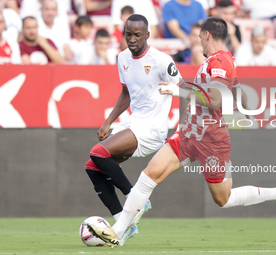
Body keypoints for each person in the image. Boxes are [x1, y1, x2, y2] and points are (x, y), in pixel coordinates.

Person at [87, 17, 276, 248]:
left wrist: (179, 92)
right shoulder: (222, 61)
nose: (199, 43)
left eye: (199, 38)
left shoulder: (220, 62)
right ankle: (117, 231)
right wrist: (247, 109)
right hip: (190, 133)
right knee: (150, 174)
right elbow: (235, 89)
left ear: (207, 36)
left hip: (212, 140)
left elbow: (216, 100)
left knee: (223, 199)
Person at [84, 14, 182, 244]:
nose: (132, 39)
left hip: (153, 128)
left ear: (147, 35)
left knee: (98, 152)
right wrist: (108, 122)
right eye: (128, 34)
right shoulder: (122, 58)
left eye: (137, 35)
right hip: (134, 122)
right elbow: (126, 94)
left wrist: (183, 125)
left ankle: (136, 200)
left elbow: (184, 89)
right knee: (92, 166)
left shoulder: (161, 60)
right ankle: (124, 224)